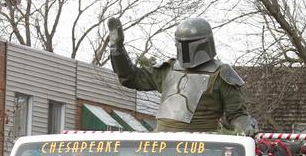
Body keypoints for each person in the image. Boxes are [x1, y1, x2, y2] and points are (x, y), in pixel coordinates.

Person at [107, 16, 255, 133]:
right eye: (181, 43)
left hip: (202, 146)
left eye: (188, 43)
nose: (184, 49)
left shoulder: (221, 73)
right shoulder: (168, 69)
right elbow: (131, 77)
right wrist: (117, 48)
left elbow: (236, 114)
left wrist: (246, 125)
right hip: (163, 143)